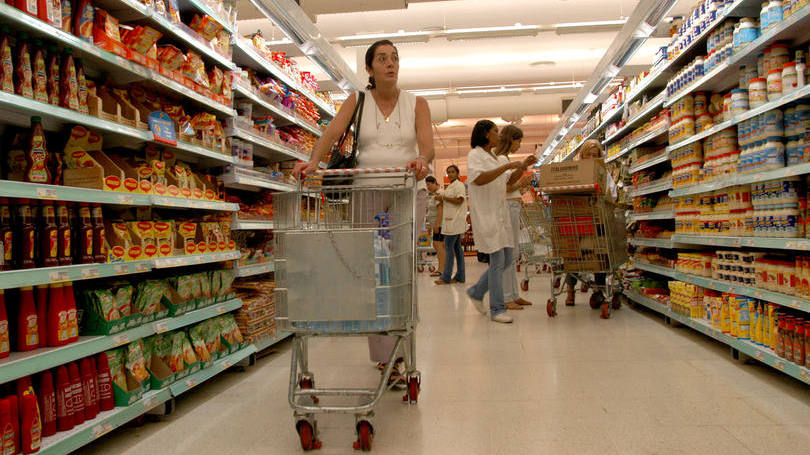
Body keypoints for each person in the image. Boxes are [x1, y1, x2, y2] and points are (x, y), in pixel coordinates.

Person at [293, 39, 434, 387]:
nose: (390, 64)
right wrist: (313, 161)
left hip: (405, 190)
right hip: (367, 188)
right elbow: (333, 133)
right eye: (382, 59)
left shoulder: (418, 104)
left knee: (401, 268)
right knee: (373, 270)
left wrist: (423, 161)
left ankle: (401, 351)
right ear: (369, 69)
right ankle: (385, 356)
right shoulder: (358, 101)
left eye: (395, 58)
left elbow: (426, 144)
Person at [466, 120, 537, 323]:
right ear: (486, 134)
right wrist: (506, 165)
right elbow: (478, 179)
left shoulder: (494, 157)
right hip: (487, 214)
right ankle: (497, 308)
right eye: (496, 132)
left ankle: (477, 291)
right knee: (498, 261)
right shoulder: (475, 155)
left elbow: (508, 181)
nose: (499, 135)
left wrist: (522, 166)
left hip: (501, 213)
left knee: (507, 259)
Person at [563, 139, 616, 307]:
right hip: (577, 219)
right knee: (573, 253)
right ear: (582, 155)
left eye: (596, 155)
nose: (592, 158)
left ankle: (598, 289)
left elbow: (612, 193)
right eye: (589, 155)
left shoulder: (603, 172)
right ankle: (570, 290)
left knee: (600, 252)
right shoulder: (574, 171)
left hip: (598, 218)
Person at [495, 125, 534, 310]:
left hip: (512, 206)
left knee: (513, 252)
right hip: (507, 206)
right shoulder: (501, 159)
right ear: (511, 140)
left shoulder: (504, 159)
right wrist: (523, 173)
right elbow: (505, 186)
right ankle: (506, 297)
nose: (519, 145)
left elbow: (510, 183)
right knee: (509, 253)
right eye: (518, 141)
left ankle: (514, 294)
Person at [434, 164, 467, 285]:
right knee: (457, 250)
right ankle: (460, 276)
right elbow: (449, 198)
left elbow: (459, 200)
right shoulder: (451, 186)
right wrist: (442, 197)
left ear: (458, 173)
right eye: (449, 172)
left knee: (448, 249)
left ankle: (446, 277)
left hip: (454, 221)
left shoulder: (459, 185)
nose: (451, 174)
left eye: (453, 172)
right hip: (452, 221)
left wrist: (443, 197)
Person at [425, 176, 446, 277]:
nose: (427, 187)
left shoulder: (439, 193)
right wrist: (430, 226)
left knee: (439, 246)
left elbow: (440, 210)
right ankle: (441, 268)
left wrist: (437, 225)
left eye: (429, 185)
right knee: (436, 246)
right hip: (435, 225)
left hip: (440, 225)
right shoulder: (433, 195)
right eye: (426, 185)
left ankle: (442, 270)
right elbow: (431, 212)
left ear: (434, 183)